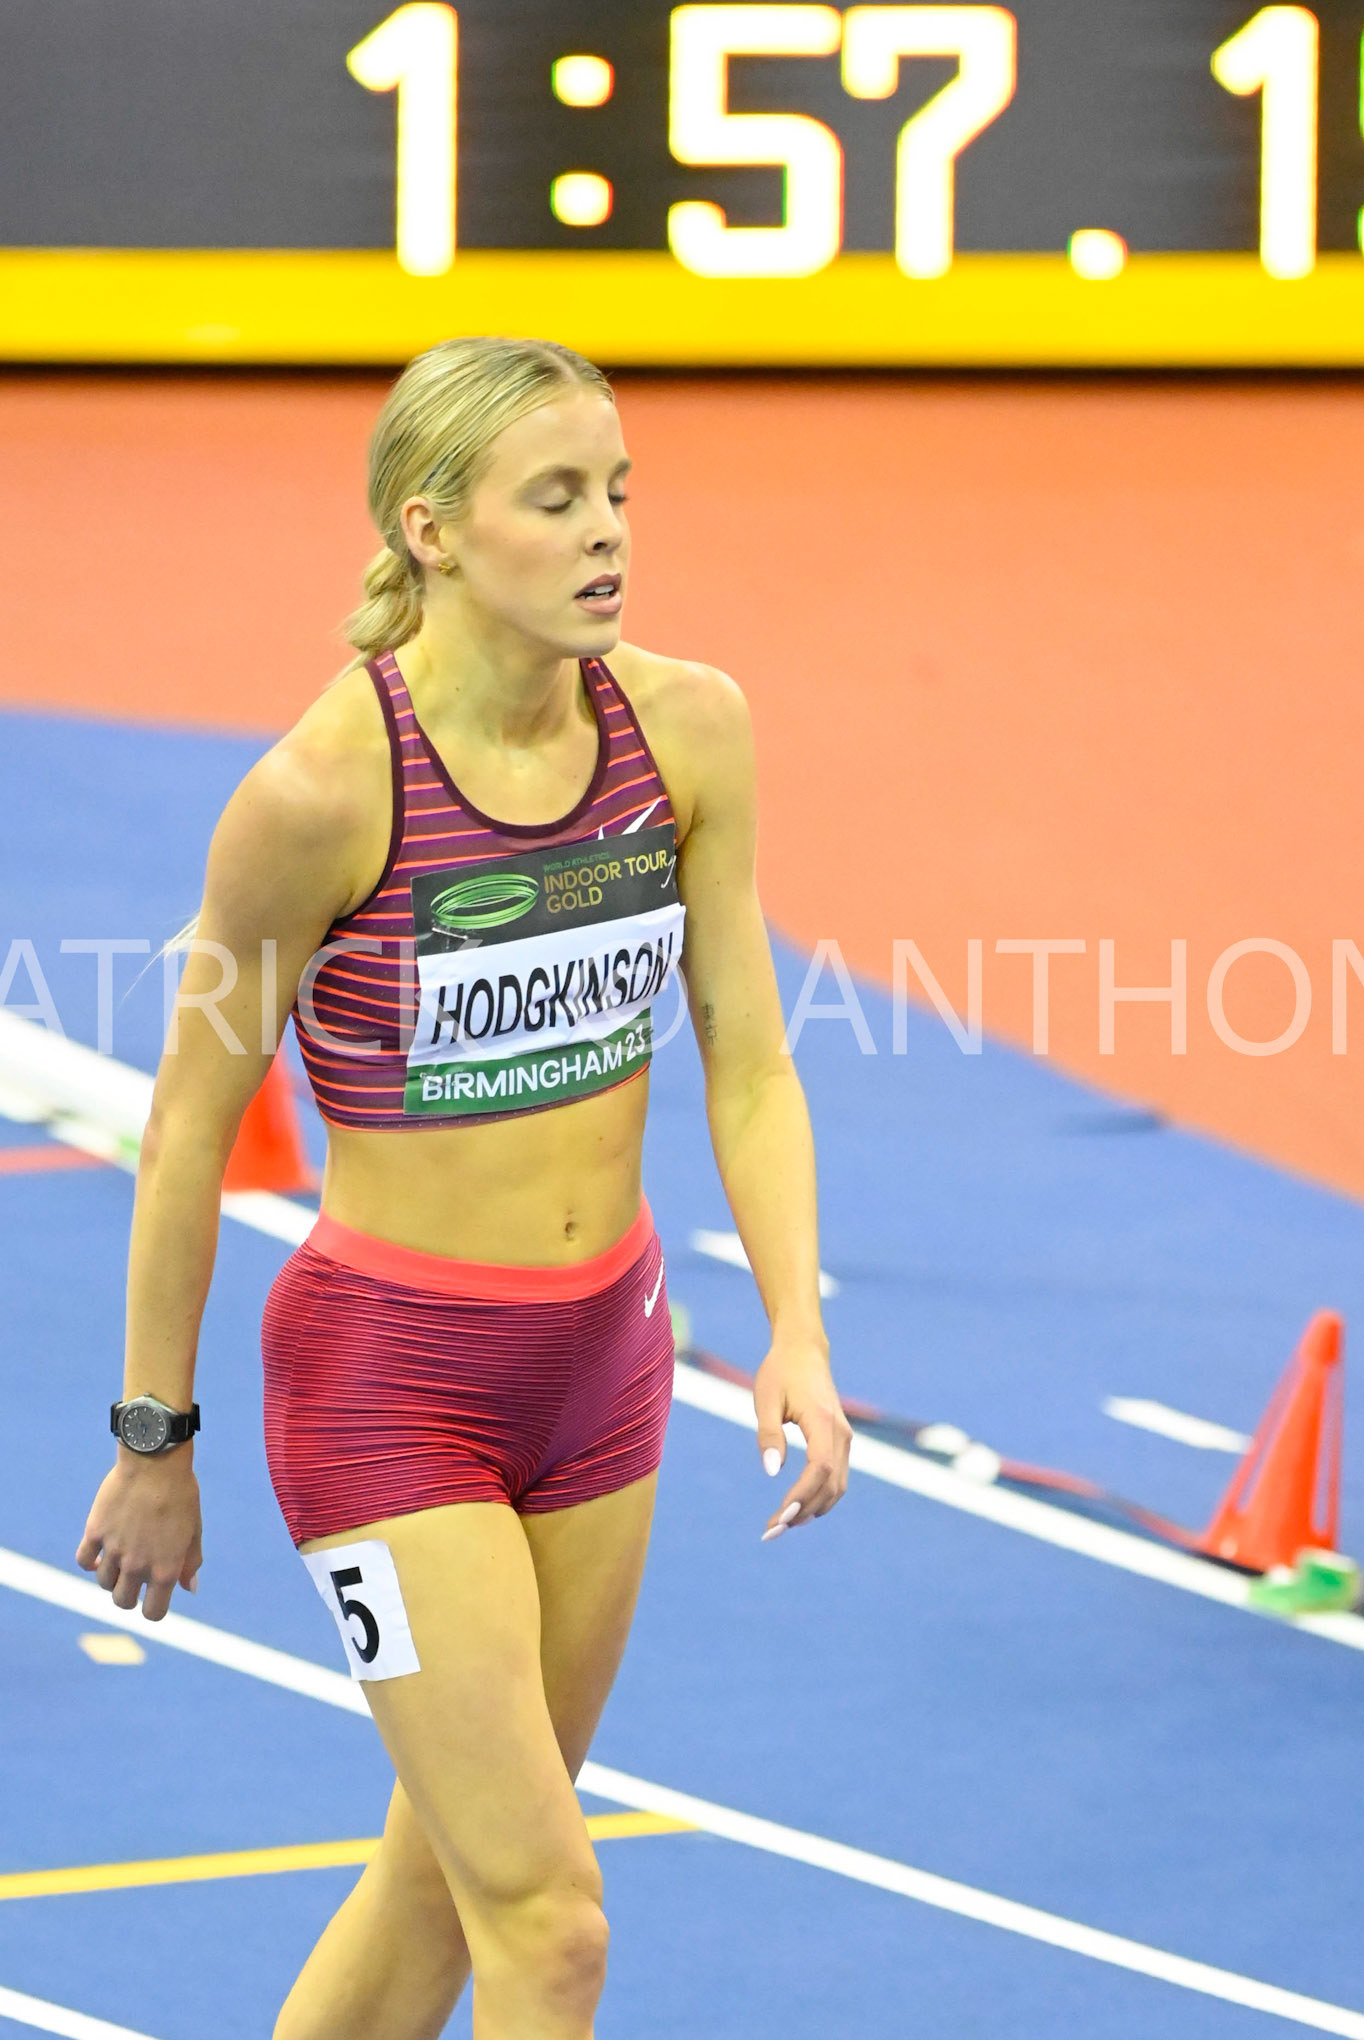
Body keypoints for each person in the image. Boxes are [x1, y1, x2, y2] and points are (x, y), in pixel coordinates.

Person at [75, 336, 851, 2039]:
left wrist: (794, 1323)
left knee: (449, 1878)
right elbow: (190, 1129)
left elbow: (749, 1056)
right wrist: (155, 1437)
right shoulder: (320, 793)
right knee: (552, 1926)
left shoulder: (688, 729)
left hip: (604, 1367)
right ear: (430, 529)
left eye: (620, 493)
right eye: (556, 499)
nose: (607, 535)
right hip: (387, 1391)